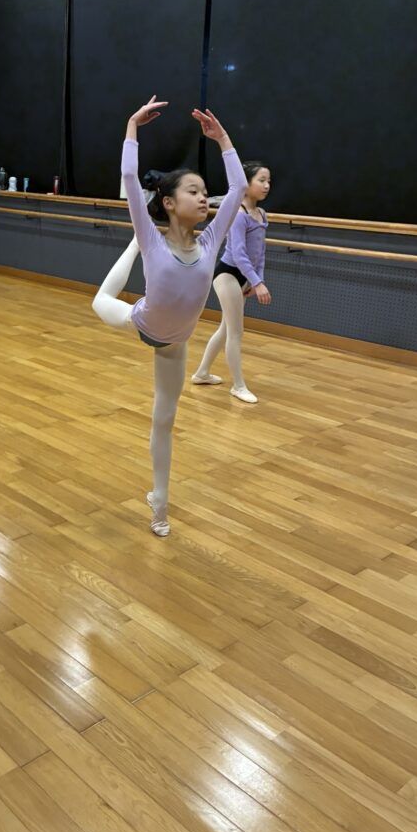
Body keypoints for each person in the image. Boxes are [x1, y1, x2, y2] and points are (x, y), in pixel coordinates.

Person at [92, 98, 247, 536]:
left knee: (164, 420)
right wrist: (131, 127)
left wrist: (223, 140)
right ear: (169, 202)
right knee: (100, 300)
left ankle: (159, 501)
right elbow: (128, 177)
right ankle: (130, 249)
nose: (203, 197)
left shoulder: (211, 241)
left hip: (175, 343)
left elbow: (237, 188)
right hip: (140, 322)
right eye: (193, 191)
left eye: (204, 191)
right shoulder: (154, 238)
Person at [192, 162, 272, 402]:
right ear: (246, 183)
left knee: (226, 329)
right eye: (261, 180)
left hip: (243, 277)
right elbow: (238, 254)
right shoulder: (239, 214)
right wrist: (256, 283)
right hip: (227, 274)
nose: (266, 185)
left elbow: (260, 253)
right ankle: (238, 386)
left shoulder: (261, 214)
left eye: (269, 181)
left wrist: (256, 280)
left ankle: (202, 373)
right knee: (236, 333)